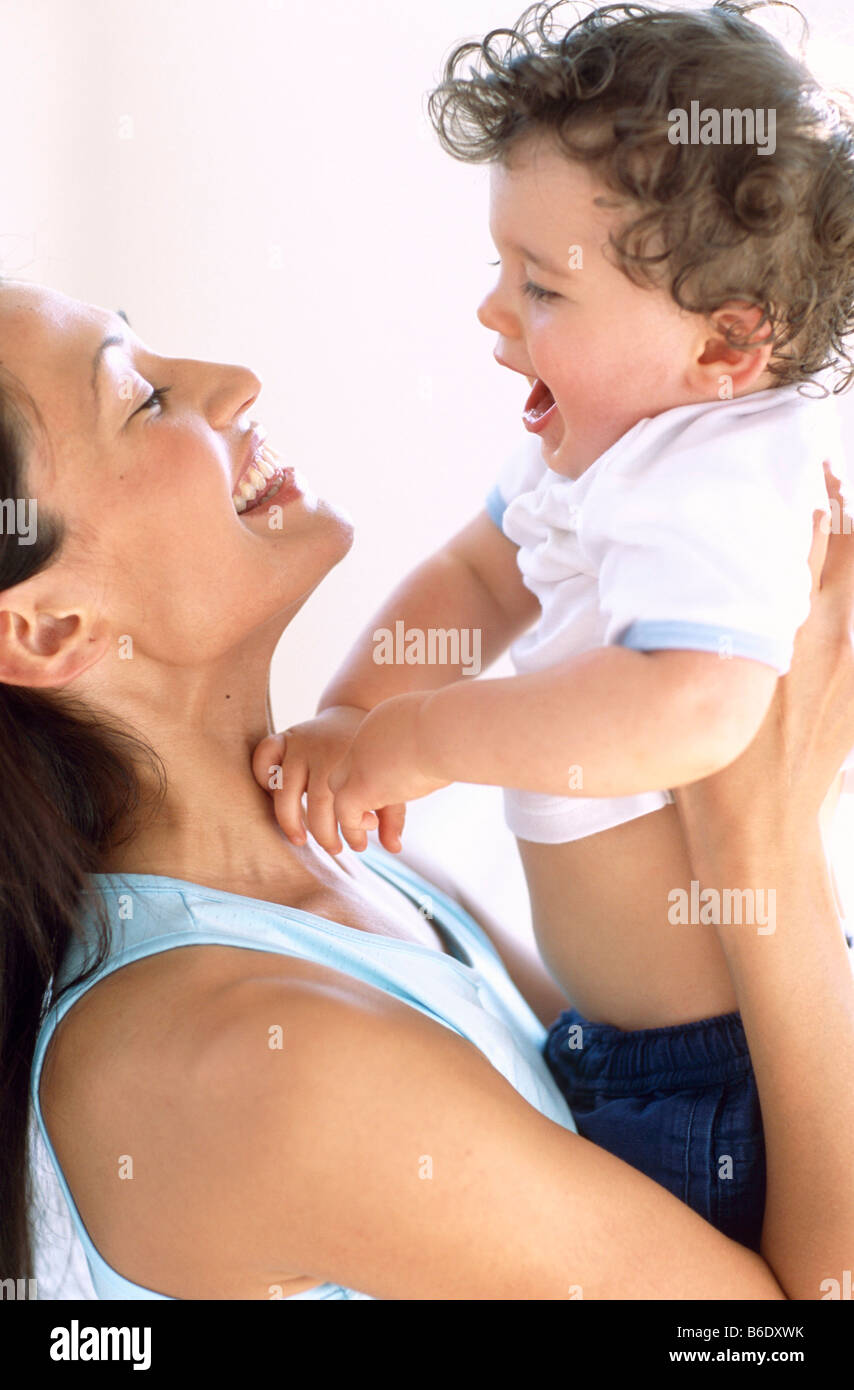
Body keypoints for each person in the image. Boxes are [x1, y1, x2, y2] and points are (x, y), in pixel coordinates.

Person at [0, 278, 851, 1302]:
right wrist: (763, 843)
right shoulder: (254, 1067)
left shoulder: (355, 865)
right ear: (49, 630)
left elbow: (670, 1082)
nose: (232, 385)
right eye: (141, 397)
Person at [259, 1, 854, 1250]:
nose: (493, 311)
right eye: (499, 269)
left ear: (725, 345)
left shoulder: (714, 475)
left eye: (538, 286)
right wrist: (358, 710)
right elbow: (480, 575)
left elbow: (693, 706)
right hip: (656, 1057)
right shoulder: (611, 448)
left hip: (730, 1076)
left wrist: (423, 737)